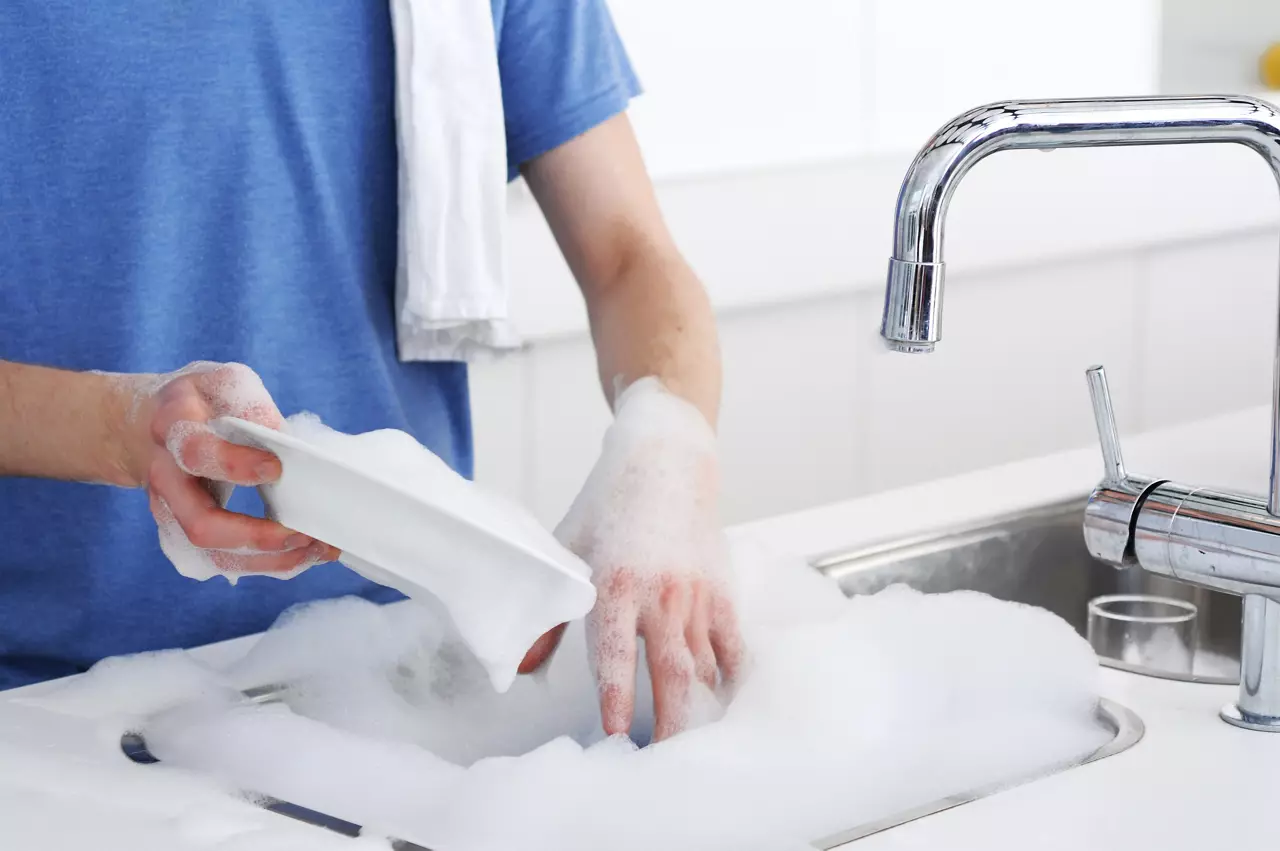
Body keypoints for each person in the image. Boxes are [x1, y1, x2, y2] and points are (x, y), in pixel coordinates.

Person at [0, 0, 741, 742]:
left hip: (398, 689)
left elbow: (631, 258)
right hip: (52, 713)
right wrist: (117, 424)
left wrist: (665, 450)